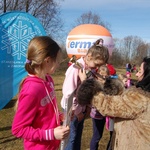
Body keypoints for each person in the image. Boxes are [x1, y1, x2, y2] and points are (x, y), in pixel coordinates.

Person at [12, 36, 70, 150]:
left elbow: (47, 112)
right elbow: (18, 129)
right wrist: (51, 134)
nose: (58, 64)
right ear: (47, 61)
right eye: (57, 61)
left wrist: (62, 117)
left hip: (52, 146)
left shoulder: (48, 80)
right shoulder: (32, 89)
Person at [81, 56, 150, 150]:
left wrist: (86, 82)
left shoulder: (141, 99)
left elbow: (106, 105)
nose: (137, 74)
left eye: (140, 71)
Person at [61, 38, 109, 150]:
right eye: (96, 64)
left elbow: (89, 91)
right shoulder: (75, 68)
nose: (96, 68)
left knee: (77, 137)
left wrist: (87, 107)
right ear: (89, 56)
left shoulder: (90, 70)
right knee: (71, 139)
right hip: (71, 110)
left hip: (81, 109)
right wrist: (77, 111)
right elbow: (68, 94)